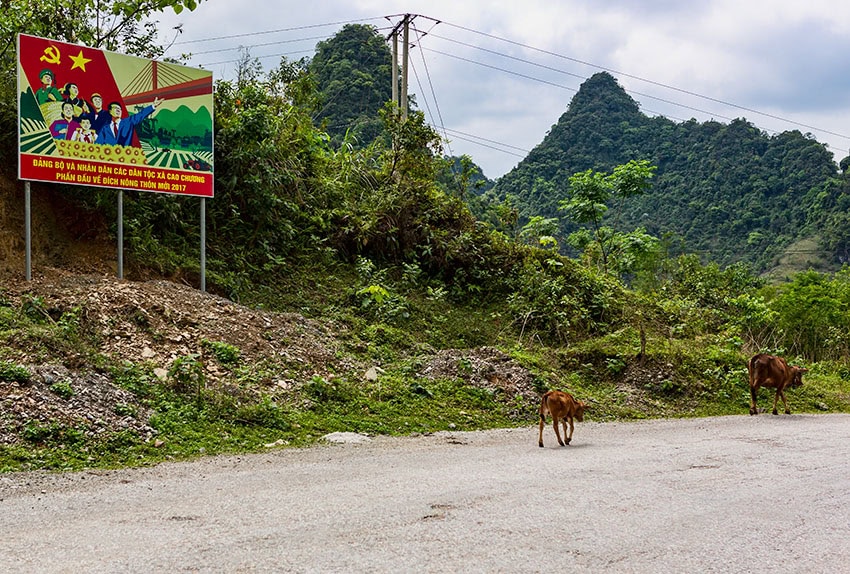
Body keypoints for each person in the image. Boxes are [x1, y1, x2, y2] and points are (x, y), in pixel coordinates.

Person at [97, 97, 164, 147]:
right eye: (115, 108)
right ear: (110, 111)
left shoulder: (128, 122)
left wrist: (153, 106)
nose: (118, 110)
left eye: (119, 109)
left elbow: (140, 115)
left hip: (126, 158)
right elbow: (98, 145)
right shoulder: (105, 129)